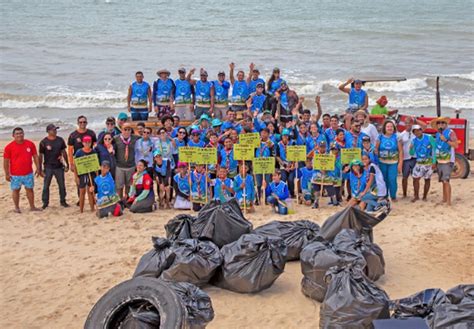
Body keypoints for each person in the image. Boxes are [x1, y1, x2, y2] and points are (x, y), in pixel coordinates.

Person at [3, 127, 41, 213]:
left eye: (21, 133)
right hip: (15, 174)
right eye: (17, 133)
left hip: (28, 173)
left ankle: (32, 207)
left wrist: (38, 168)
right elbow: (6, 162)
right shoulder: (9, 147)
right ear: (13, 135)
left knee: (30, 190)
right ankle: (16, 208)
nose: (19, 135)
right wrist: (7, 174)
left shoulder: (30, 144)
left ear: (23, 134)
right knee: (16, 190)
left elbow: (35, 156)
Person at [39, 124, 69, 209]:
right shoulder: (43, 142)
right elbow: (40, 155)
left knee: (62, 185)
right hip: (48, 167)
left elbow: (64, 152)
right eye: (53, 130)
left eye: (56, 129)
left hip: (59, 166)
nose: (55, 131)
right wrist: (39, 169)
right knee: (46, 186)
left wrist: (67, 164)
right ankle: (45, 202)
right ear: (48, 131)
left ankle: (63, 201)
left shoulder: (60, 140)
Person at [431, 117, 458, 206]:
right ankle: (444, 199)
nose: (441, 124)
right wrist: (434, 161)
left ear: (446, 124)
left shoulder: (451, 132)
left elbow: (456, 145)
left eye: (443, 123)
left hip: (448, 160)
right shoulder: (438, 134)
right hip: (440, 160)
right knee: (442, 180)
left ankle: (449, 201)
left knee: (446, 180)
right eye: (439, 123)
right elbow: (436, 148)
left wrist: (446, 140)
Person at [399, 116, 427, 198]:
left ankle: (416, 195)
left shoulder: (416, 132)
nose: (408, 124)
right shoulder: (402, 134)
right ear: (404, 124)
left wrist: (415, 120)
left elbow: (425, 126)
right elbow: (400, 148)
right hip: (406, 159)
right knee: (405, 177)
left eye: (410, 123)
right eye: (406, 123)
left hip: (415, 158)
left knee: (416, 178)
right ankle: (404, 194)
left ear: (412, 123)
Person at [375, 120, 403, 201]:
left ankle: (393, 196)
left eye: (391, 126)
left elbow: (400, 151)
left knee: (392, 179)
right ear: (385, 128)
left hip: (393, 162)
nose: (389, 128)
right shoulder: (379, 137)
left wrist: (400, 163)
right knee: (383, 179)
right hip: (382, 162)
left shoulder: (397, 137)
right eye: (388, 126)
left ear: (394, 127)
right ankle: (385, 195)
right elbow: (376, 149)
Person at [410, 125, 436, 203]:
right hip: (419, 162)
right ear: (413, 133)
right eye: (415, 131)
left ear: (421, 130)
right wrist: (411, 148)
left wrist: (434, 162)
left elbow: (434, 149)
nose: (417, 132)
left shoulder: (429, 137)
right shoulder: (414, 140)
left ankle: (425, 196)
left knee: (427, 179)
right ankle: (416, 196)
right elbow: (411, 153)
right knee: (415, 179)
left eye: (418, 130)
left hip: (429, 162)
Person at [114, 122, 139, 199]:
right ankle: (120, 200)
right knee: (119, 186)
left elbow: (147, 139)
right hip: (119, 166)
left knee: (129, 185)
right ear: (121, 130)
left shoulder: (136, 138)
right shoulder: (115, 139)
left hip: (131, 166)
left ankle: (127, 200)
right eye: (125, 129)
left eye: (129, 129)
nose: (127, 131)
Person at [68, 115, 97, 180]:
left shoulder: (91, 133)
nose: (82, 123)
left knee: (91, 183)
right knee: (80, 184)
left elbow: (95, 146)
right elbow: (70, 151)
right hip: (79, 161)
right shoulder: (73, 135)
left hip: (90, 160)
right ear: (78, 123)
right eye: (80, 122)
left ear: (86, 123)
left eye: (84, 122)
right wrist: (71, 163)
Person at [311, 141, 339, 209]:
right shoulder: (315, 154)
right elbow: (313, 164)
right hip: (317, 172)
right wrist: (320, 170)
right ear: (319, 147)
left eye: (323, 147)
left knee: (329, 183)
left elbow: (331, 165)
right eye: (321, 147)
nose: (322, 148)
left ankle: (334, 200)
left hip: (327, 172)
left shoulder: (329, 155)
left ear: (325, 147)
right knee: (315, 183)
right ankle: (316, 201)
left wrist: (326, 170)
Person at [74, 135, 97, 213]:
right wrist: (76, 176)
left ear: (91, 143)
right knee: (82, 192)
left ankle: (92, 209)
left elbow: (96, 165)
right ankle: (81, 210)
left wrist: (97, 176)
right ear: (83, 143)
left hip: (91, 174)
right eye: (85, 142)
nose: (87, 144)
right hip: (82, 174)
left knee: (90, 191)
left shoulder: (93, 152)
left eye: (89, 142)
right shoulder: (79, 152)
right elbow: (75, 165)